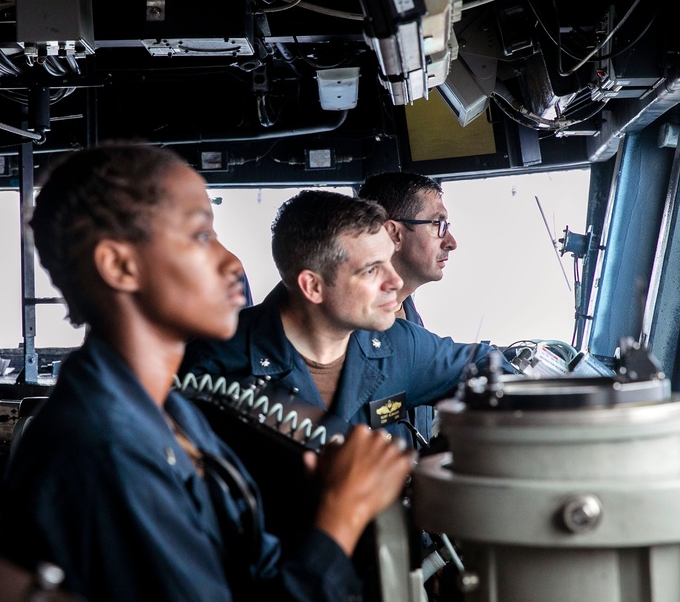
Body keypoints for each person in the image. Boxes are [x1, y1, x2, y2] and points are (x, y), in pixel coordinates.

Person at [0, 143, 413, 602]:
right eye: (199, 236)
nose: (232, 263)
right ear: (119, 266)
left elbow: (252, 576)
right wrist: (344, 513)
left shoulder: (173, 414)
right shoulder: (103, 446)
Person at [181, 189, 509, 449]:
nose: (394, 282)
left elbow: (489, 366)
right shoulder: (214, 363)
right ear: (313, 286)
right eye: (371, 270)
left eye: (388, 263)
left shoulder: (401, 345)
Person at [357, 172, 457, 447]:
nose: (451, 241)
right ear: (394, 234)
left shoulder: (410, 318)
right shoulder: (343, 328)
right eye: (438, 224)